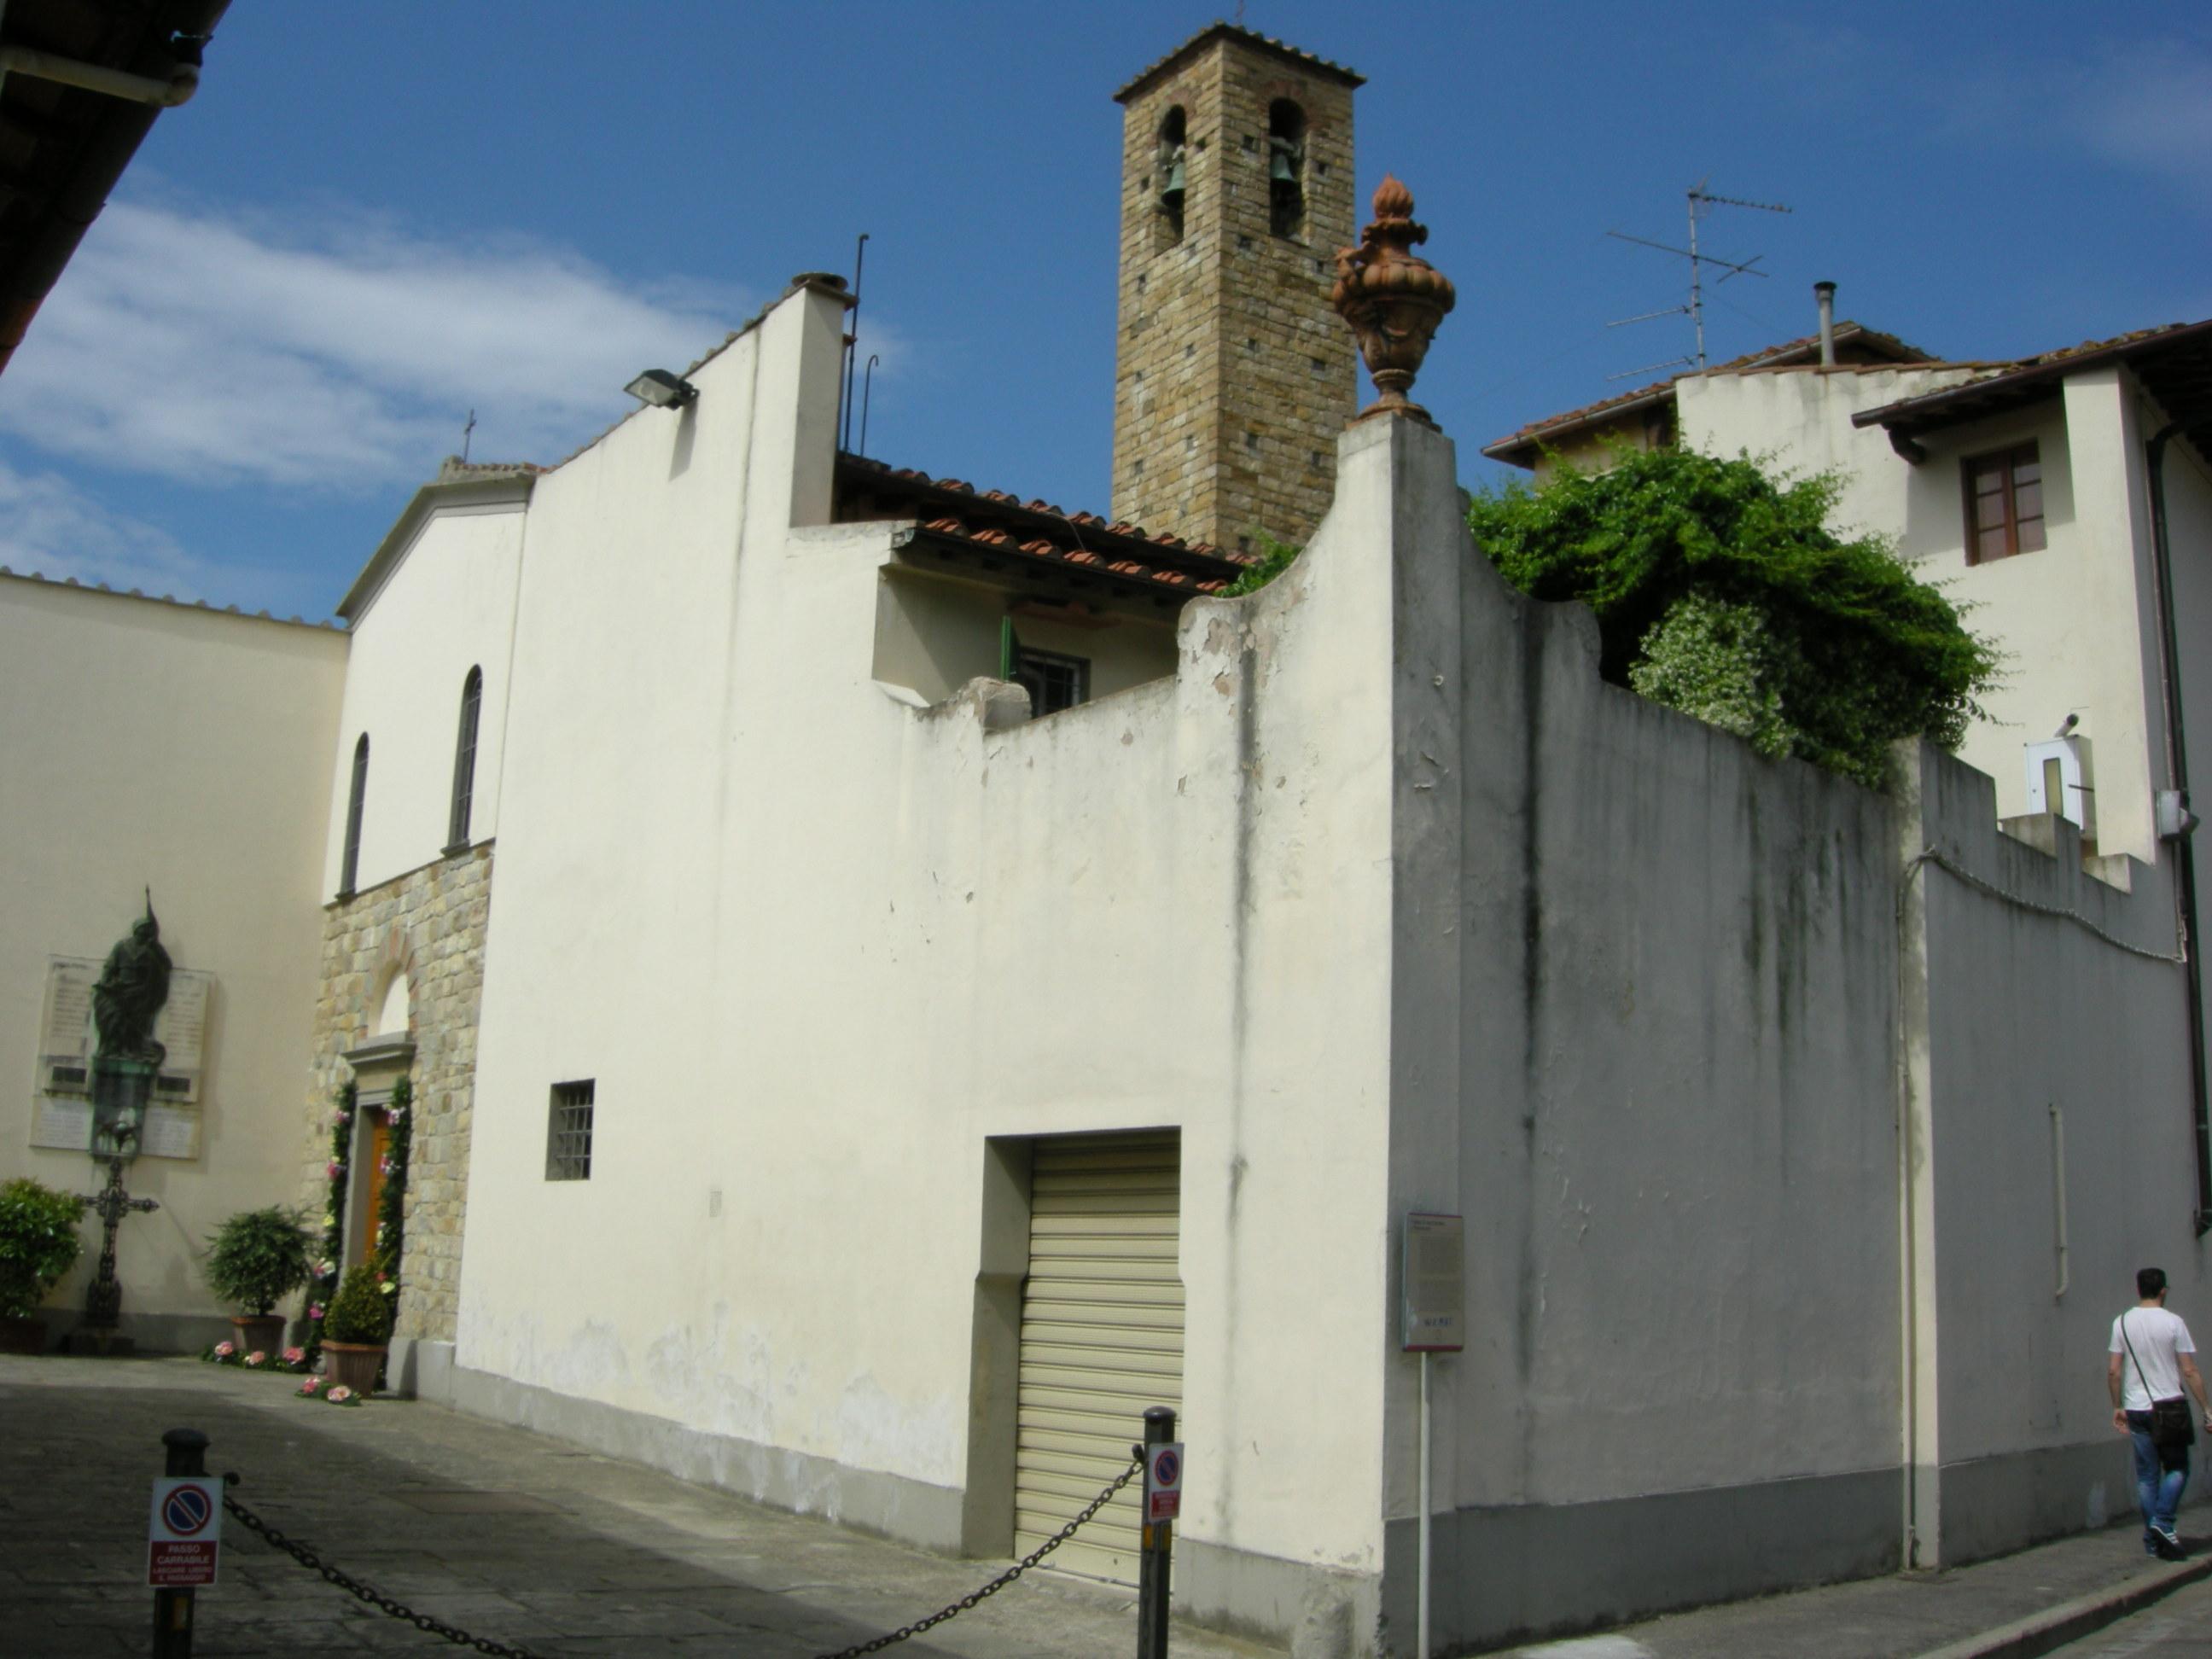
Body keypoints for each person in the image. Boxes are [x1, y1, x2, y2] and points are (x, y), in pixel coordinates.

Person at [2108, 1266, 2212, 1560]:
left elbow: (2114, 1370)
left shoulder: (2122, 1322)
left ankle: (2152, 1542)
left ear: (2139, 1290)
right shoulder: (2174, 1323)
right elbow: (2189, 1370)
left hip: (2136, 1408)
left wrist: (2117, 1406)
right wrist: (2207, 1408)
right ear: (2163, 1290)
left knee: (2147, 1477)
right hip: (2170, 1406)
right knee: (2178, 1468)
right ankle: (2162, 1522)